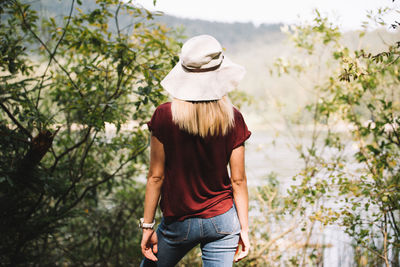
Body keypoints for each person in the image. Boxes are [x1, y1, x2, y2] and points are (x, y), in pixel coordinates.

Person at [139, 35, 251, 267]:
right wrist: (245, 229)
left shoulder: (164, 116)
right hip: (223, 222)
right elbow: (238, 181)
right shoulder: (234, 118)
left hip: (178, 222)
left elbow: (156, 177)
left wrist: (147, 227)